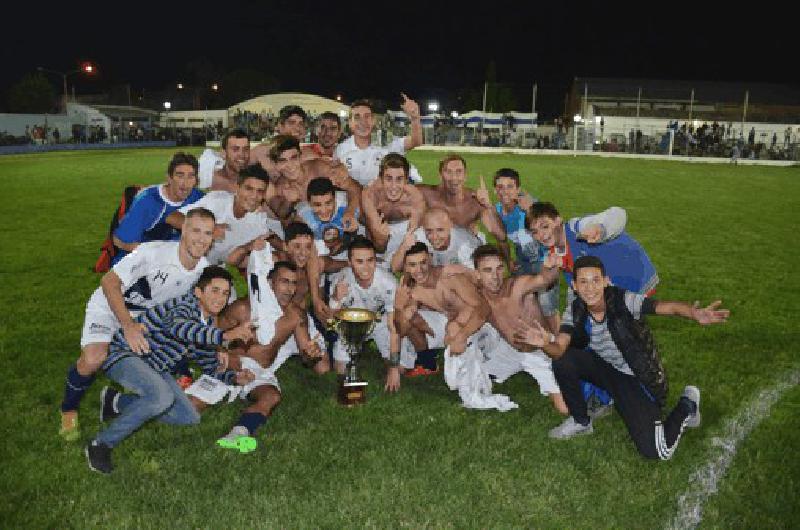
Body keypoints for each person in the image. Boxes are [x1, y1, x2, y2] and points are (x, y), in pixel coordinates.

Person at [514, 256, 728, 460]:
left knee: (656, 451)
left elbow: (666, 307)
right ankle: (581, 421)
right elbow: (559, 350)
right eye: (583, 282)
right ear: (575, 287)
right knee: (563, 360)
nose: (590, 288)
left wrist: (693, 313)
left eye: (596, 280)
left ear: (606, 281)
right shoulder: (575, 309)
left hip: (635, 377)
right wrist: (544, 344)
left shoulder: (624, 300)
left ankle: (687, 404)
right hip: (604, 368)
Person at [59, 208, 217, 441]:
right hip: (110, 307)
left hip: (145, 321)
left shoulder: (203, 271)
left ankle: (116, 401)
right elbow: (109, 282)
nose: (201, 239)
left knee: (169, 399)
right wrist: (128, 325)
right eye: (195, 230)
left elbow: (202, 311)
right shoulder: (153, 252)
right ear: (183, 229)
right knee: (94, 358)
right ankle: (68, 410)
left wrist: (217, 346)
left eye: (208, 233)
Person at [85, 266, 256, 474]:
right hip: (123, 354)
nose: (220, 298)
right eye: (215, 290)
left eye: (225, 293)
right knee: (161, 397)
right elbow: (181, 328)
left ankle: (116, 402)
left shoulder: (207, 322)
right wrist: (225, 336)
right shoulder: (183, 306)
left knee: (188, 417)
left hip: (154, 366)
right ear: (198, 292)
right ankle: (101, 444)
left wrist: (234, 378)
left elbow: (208, 363)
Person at [213, 261, 328, 452]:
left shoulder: (296, 315)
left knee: (272, 396)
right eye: (284, 282)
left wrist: (312, 354)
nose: (290, 289)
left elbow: (306, 358)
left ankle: (238, 434)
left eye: (294, 283)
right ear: (269, 282)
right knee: (194, 407)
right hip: (231, 364)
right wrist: (226, 359)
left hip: (260, 371)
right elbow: (213, 335)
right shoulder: (243, 308)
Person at [469, 245, 566, 413]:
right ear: (477, 274)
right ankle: (508, 369)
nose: (495, 276)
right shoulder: (480, 298)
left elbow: (544, 279)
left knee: (564, 408)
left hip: (541, 350)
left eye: (499, 269)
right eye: (487, 270)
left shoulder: (517, 286)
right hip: (510, 350)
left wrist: (549, 268)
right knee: (472, 375)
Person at [394, 242, 488, 375]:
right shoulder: (412, 289)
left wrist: (461, 333)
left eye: (423, 262)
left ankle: (475, 358)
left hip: (478, 324)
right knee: (408, 316)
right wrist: (398, 307)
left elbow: (482, 308)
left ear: (430, 259)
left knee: (457, 375)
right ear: (406, 267)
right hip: (449, 322)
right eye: (412, 265)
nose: (419, 270)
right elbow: (401, 330)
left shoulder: (450, 276)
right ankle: (427, 363)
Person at [527, 202, 658, 296]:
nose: (541, 235)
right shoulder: (554, 252)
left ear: (558, 220)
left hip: (636, 275)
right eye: (535, 232)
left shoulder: (578, 227)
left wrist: (601, 228)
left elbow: (618, 213)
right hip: (612, 288)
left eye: (545, 227)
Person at [168, 164, 284, 269]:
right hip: (182, 260)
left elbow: (270, 238)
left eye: (260, 191)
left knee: (271, 261)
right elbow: (172, 217)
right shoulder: (217, 201)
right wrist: (208, 229)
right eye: (249, 189)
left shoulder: (258, 220)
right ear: (238, 187)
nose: (254, 196)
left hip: (212, 269)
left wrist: (287, 247)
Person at [328, 236, 402, 391]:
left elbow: (393, 326)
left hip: (380, 322)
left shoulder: (388, 283)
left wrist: (393, 368)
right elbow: (330, 320)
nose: (366, 267)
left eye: (370, 260)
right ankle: (355, 350)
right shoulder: (341, 281)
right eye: (359, 261)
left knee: (401, 368)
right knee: (340, 370)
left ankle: (375, 351)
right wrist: (335, 299)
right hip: (351, 326)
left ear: (376, 260)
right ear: (349, 263)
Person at [492, 168, 559, 331]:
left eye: (510, 186)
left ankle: (558, 341)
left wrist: (530, 209)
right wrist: (509, 262)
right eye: (500, 187)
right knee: (513, 295)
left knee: (547, 305)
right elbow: (502, 242)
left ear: (518, 189)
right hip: (523, 261)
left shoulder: (529, 206)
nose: (504, 191)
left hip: (544, 260)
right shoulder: (497, 211)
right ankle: (531, 333)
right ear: (495, 190)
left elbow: (552, 229)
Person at [112, 153, 204, 264]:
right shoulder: (147, 201)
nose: (185, 183)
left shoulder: (198, 198)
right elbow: (121, 241)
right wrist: (160, 255)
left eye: (191, 176)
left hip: (174, 261)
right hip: (137, 261)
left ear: (196, 180)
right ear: (169, 178)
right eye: (180, 176)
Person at [333, 95, 423, 186]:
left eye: (367, 116)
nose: (362, 122)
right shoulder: (341, 149)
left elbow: (415, 142)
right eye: (357, 117)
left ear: (373, 120)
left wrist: (415, 118)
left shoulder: (386, 141)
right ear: (350, 123)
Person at [417, 154, 506, 241]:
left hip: (465, 244)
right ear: (440, 176)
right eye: (448, 172)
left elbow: (500, 235)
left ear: (465, 176)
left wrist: (488, 204)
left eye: (459, 171)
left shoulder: (475, 201)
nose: (454, 177)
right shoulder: (426, 194)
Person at [360, 153, 426, 268]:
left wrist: (402, 251)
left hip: (403, 229)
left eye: (399, 179)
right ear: (381, 179)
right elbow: (380, 246)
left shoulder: (414, 197)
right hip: (376, 230)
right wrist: (381, 235)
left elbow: (412, 236)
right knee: (376, 240)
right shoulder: (370, 195)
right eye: (389, 179)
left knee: (419, 239)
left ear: (406, 179)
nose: (394, 186)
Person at [390, 208, 482, 273]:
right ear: (423, 228)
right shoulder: (417, 236)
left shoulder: (465, 243)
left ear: (450, 226)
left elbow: (479, 275)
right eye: (429, 231)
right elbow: (394, 268)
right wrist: (404, 247)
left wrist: (460, 269)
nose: (434, 237)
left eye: (440, 230)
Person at [296, 176, 359, 258]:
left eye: (328, 203)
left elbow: (355, 192)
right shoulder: (303, 214)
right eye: (317, 205)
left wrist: (350, 211)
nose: (324, 210)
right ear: (309, 203)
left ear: (335, 198)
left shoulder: (346, 204)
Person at [197, 128, 251, 192]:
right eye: (235, 149)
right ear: (224, 153)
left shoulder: (256, 182)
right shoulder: (209, 180)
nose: (242, 155)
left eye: (246, 149)